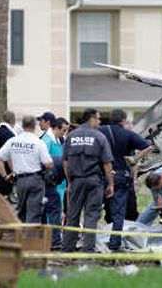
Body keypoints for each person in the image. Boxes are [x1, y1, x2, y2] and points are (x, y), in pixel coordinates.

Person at [98, 109, 152, 252]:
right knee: (119, 212)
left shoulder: (100, 131)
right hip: (120, 177)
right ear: (123, 120)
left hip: (100, 175)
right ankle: (114, 243)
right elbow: (148, 146)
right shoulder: (127, 134)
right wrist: (134, 159)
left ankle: (90, 241)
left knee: (95, 210)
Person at [62, 108, 114, 253]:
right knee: (91, 215)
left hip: (76, 181)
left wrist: (70, 181)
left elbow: (65, 162)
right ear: (91, 119)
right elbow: (107, 163)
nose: (99, 121)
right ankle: (88, 250)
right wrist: (110, 184)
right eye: (98, 119)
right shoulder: (99, 137)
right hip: (94, 181)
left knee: (73, 214)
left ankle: (67, 249)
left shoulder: (71, 136)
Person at [0, 115, 53, 223]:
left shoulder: (13, 141)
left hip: (19, 181)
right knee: (34, 213)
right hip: (35, 180)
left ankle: (20, 238)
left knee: (21, 212)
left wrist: (6, 176)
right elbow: (48, 164)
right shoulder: (38, 142)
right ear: (34, 126)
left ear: (22, 126)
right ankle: (30, 238)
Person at [41, 117, 69, 249]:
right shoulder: (47, 140)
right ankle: (50, 238)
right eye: (63, 130)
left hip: (60, 181)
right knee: (50, 211)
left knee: (58, 211)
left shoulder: (59, 140)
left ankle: (55, 235)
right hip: (51, 180)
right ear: (56, 128)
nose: (64, 133)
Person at [0, 111, 17, 197]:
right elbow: (9, 156)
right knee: (6, 199)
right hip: (6, 172)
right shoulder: (10, 135)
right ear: (13, 121)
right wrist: (14, 172)